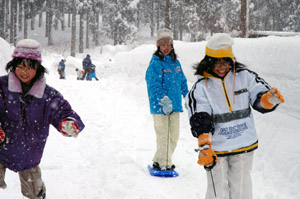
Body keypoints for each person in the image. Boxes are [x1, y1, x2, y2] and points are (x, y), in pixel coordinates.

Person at [185, 33, 284, 199]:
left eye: (226, 62)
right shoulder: (201, 87)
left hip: (243, 144)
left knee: (242, 188)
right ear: (208, 63)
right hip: (216, 148)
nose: (222, 67)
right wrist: (205, 145)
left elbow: (259, 97)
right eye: (217, 62)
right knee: (218, 190)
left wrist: (267, 101)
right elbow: (200, 116)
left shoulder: (245, 76)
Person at [0, 39, 85, 199]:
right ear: (13, 66)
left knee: (34, 192)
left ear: (38, 68)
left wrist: (68, 123)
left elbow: (63, 111)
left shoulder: (47, 95)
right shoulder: (2, 88)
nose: (24, 72)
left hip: (29, 155)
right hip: (1, 150)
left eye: (30, 67)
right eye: (20, 66)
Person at [145, 28, 189, 171]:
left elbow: (182, 80)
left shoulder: (176, 63)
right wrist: (163, 100)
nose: (166, 48)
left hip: (175, 106)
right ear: (158, 46)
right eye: (163, 45)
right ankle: (165, 164)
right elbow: (152, 84)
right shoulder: (155, 63)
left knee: (174, 137)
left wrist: (187, 95)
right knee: (163, 136)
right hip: (160, 107)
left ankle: (158, 160)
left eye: (168, 44)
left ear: (172, 46)